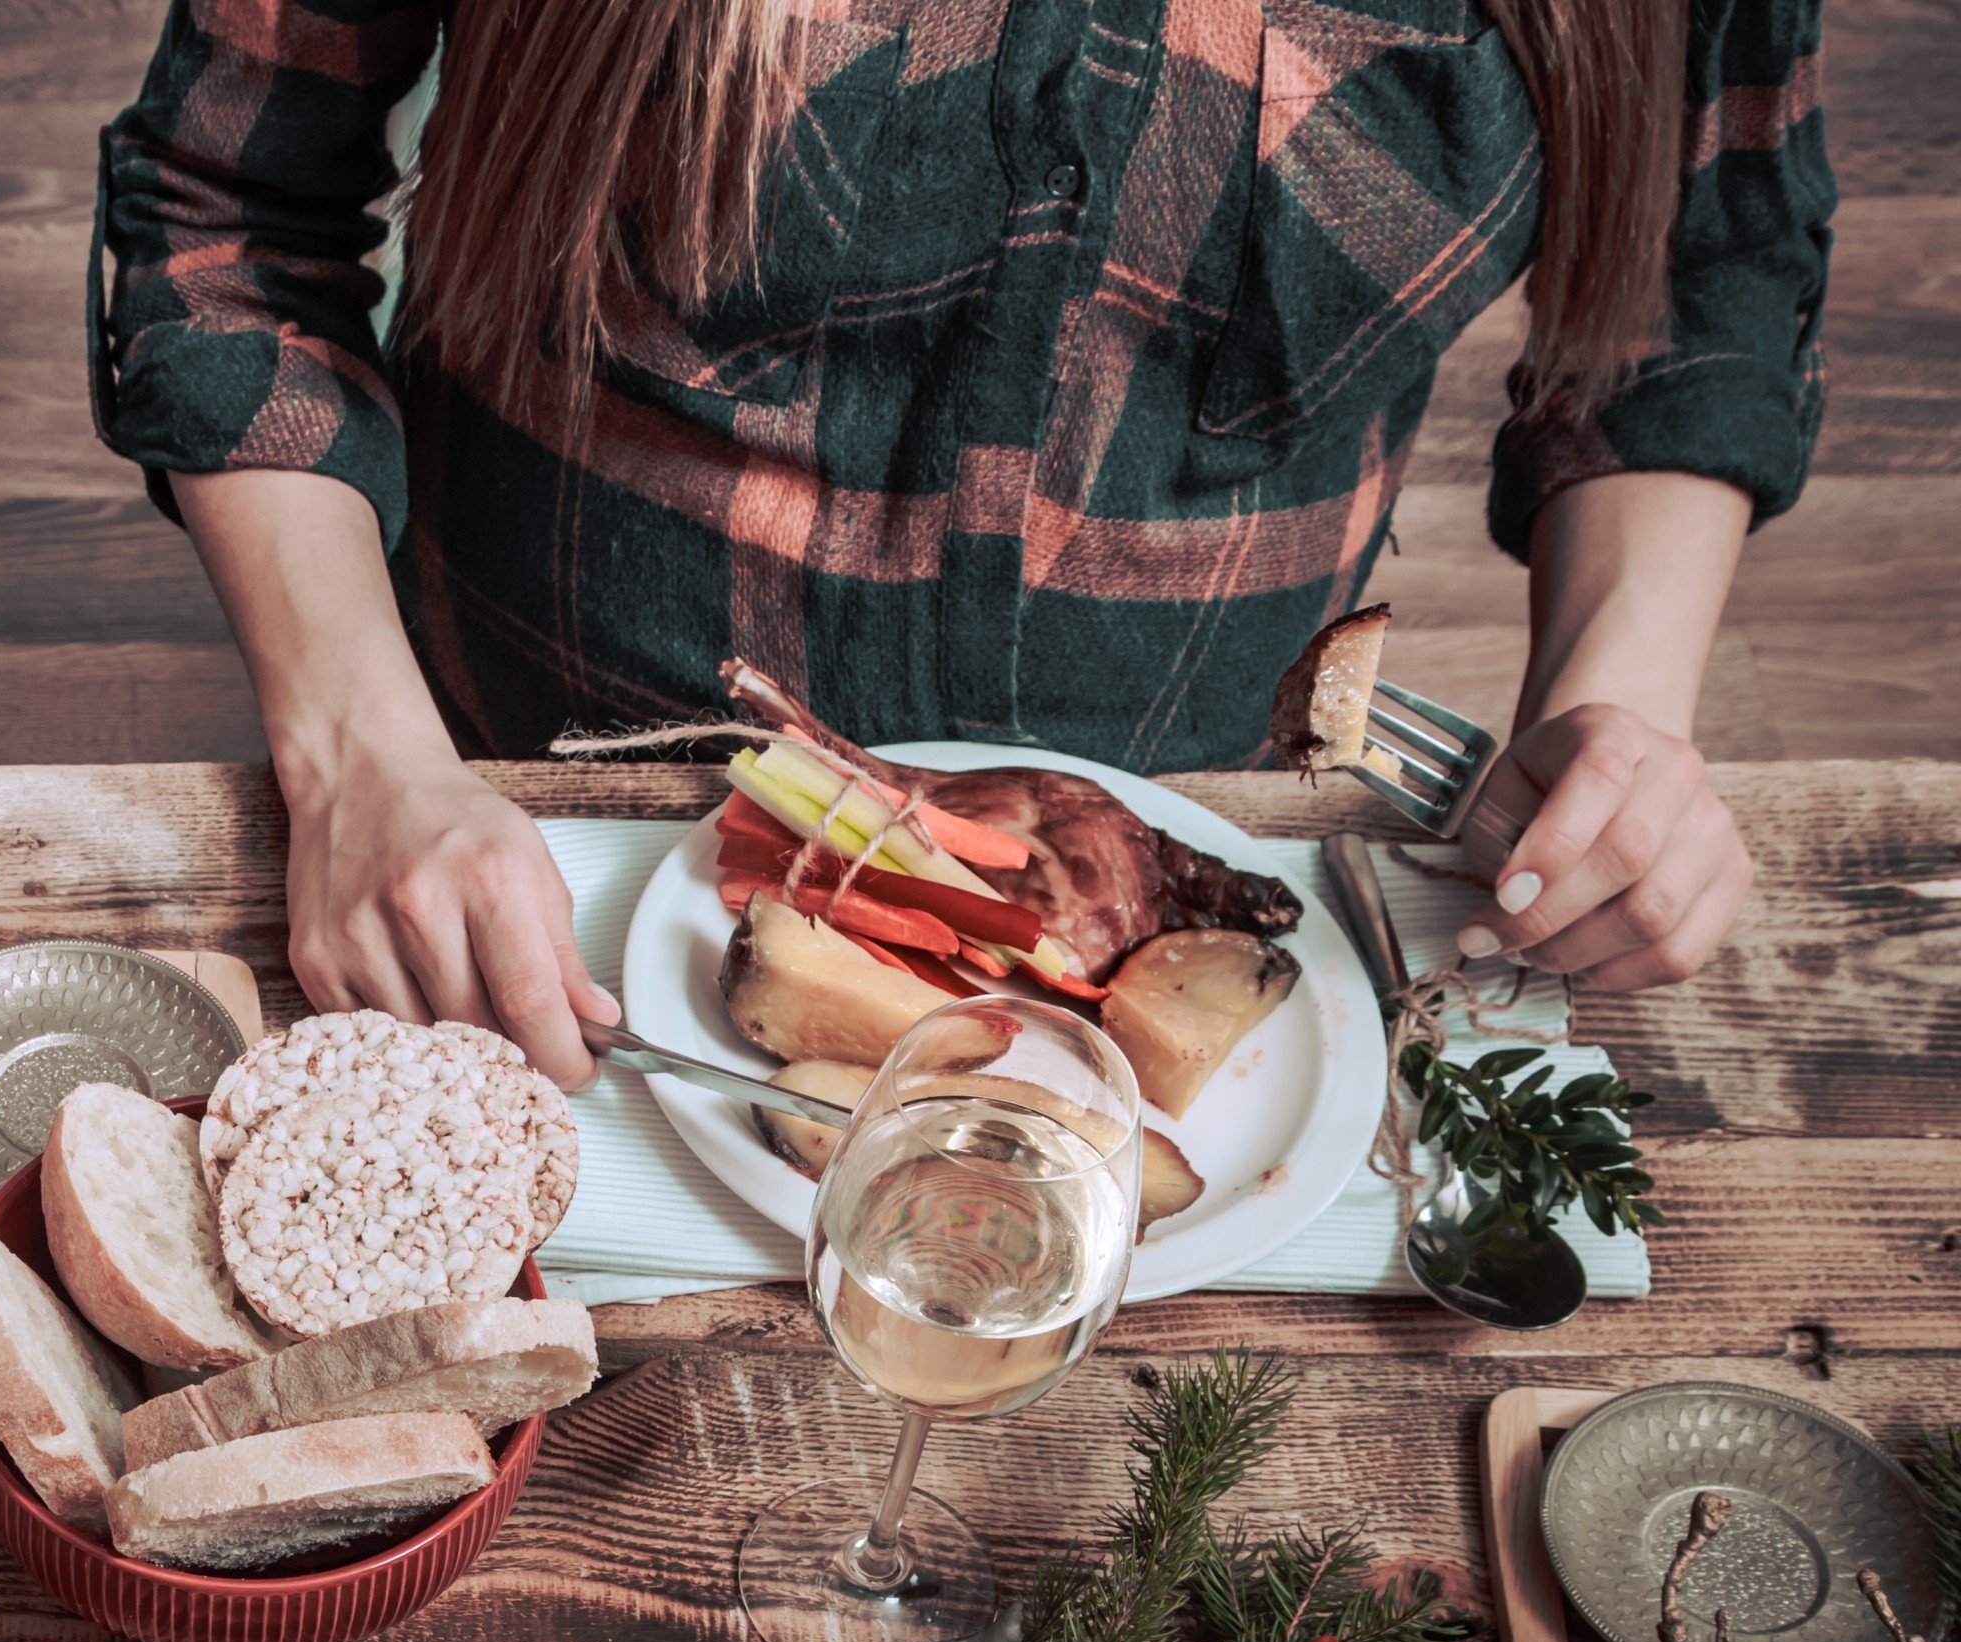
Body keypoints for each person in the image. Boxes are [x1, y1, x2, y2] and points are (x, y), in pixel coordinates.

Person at [92, 0, 1824, 1084]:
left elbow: (1700, 284)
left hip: (1180, 902)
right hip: (527, 845)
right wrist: (353, 755)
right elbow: (228, 213)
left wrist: (1624, 712)